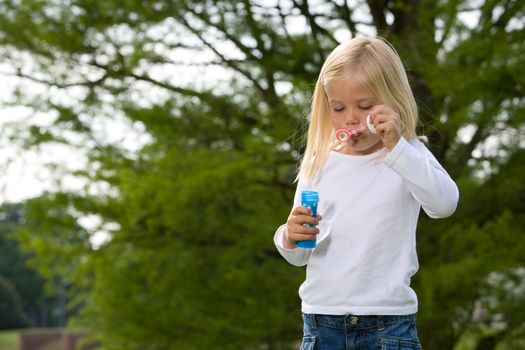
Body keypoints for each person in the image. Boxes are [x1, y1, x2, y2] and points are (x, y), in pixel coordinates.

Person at [273, 36, 459, 349]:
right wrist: (289, 237)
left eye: (365, 106)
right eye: (338, 107)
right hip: (321, 323)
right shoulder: (318, 162)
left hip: (388, 326)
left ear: (394, 102)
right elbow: (302, 254)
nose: (350, 119)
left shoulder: (408, 154)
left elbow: (444, 204)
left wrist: (397, 147)